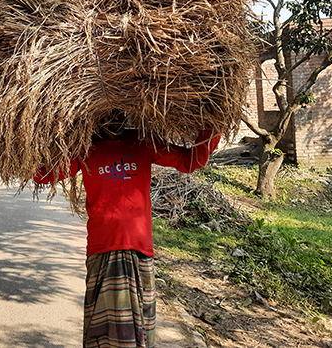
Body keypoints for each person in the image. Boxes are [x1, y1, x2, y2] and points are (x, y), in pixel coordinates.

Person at [34, 123, 221, 348]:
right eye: (107, 114)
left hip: (140, 248)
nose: (114, 118)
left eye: (119, 112)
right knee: (103, 332)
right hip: (103, 248)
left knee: (139, 325)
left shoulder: (143, 141)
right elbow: (42, 174)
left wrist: (213, 125)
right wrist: (37, 134)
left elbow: (193, 161)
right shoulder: (84, 147)